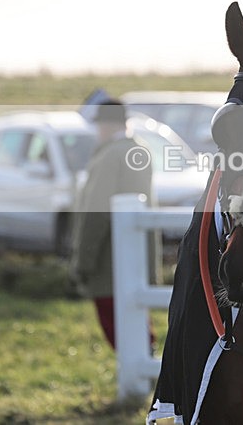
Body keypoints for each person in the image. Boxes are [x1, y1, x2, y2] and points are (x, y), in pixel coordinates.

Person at [69, 100, 153, 349]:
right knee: (139, 322)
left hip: (108, 260)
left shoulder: (109, 155)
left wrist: (83, 261)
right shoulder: (139, 149)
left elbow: (96, 213)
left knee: (118, 328)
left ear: (105, 125)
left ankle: (138, 381)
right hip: (138, 257)